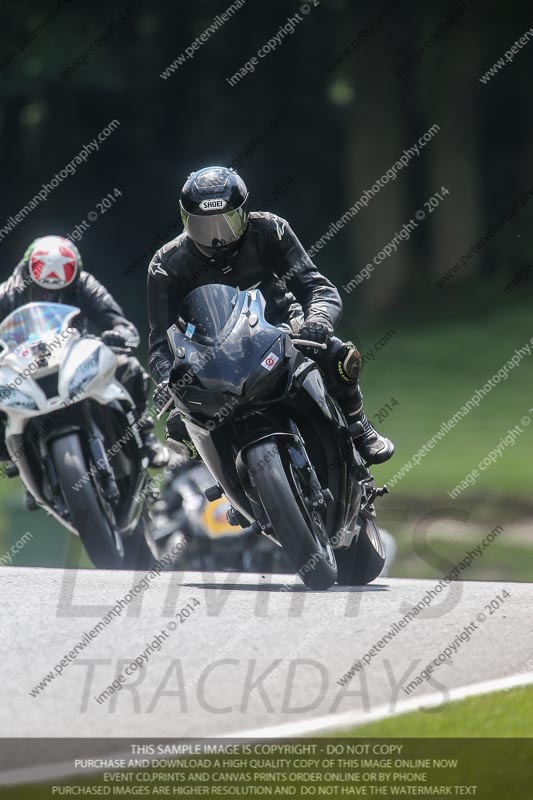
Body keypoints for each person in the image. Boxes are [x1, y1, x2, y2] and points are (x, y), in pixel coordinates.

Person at [148, 166, 394, 465]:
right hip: (212, 354)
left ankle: (359, 426)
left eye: (227, 222)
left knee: (337, 354)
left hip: (280, 325)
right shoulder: (166, 264)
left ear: (245, 212)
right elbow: (161, 340)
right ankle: (232, 487)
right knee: (180, 424)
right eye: (204, 226)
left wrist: (318, 321)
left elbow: (316, 287)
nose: (217, 238)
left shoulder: (269, 229)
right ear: (186, 221)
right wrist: (166, 380)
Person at [0, 235, 167, 474]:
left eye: (59, 289)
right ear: (27, 276)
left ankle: (144, 434)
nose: (48, 296)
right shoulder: (6, 295)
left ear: (73, 279)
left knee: (127, 366)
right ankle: (18, 459)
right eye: (41, 289)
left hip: (74, 360)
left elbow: (122, 325)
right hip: (25, 369)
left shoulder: (85, 285)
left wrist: (118, 335)